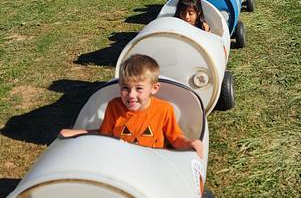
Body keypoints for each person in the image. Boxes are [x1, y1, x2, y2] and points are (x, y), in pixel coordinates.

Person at [60, 54, 203, 158]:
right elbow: (104, 136)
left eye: (139, 88)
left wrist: (190, 143)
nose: (131, 95)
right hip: (121, 161)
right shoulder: (114, 106)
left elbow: (175, 139)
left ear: (154, 88)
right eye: (125, 88)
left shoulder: (164, 110)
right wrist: (77, 134)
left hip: (153, 163)